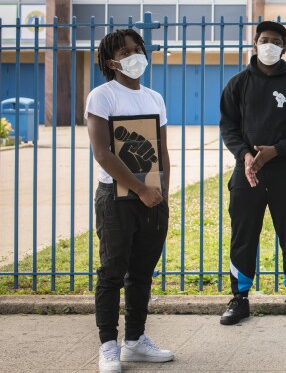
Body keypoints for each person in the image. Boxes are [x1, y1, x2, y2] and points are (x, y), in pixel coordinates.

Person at [85, 28, 174, 373]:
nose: (135, 55)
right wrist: (140, 188)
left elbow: (162, 150)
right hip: (117, 197)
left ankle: (135, 341)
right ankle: (108, 345)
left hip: (153, 196)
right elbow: (103, 153)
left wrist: (162, 189)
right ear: (111, 61)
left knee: (141, 273)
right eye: (125, 52)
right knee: (112, 271)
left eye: (138, 49)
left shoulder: (154, 98)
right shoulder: (102, 96)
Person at [218, 20, 286, 325]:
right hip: (247, 173)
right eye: (264, 40)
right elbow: (228, 127)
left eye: (275, 41)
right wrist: (246, 155)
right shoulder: (238, 83)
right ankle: (240, 298)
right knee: (243, 236)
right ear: (255, 43)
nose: (269, 45)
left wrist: (277, 149)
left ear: (284, 47)